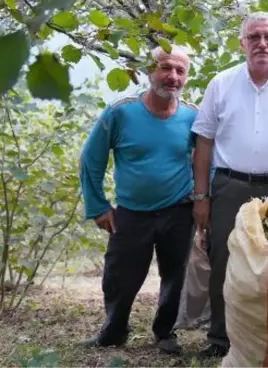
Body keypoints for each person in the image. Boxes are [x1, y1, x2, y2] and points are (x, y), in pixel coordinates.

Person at [191, 11, 268, 358]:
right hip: (231, 187)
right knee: (225, 262)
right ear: (242, 43)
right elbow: (203, 144)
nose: (262, 43)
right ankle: (220, 340)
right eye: (254, 36)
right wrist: (202, 196)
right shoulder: (221, 84)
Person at [79, 45, 198, 354]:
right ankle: (114, 330)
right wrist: (98, 206)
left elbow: (207, 161)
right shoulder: (120, 111)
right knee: (119, 275)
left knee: (176, 274)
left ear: (186, 77)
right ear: (150, 71)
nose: (172, 77)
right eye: (165, 68)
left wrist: (203, 201)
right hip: (131, 212)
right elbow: (91, 159)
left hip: (179, 210)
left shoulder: (192, 116)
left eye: (180, 71)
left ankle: (165, 332)